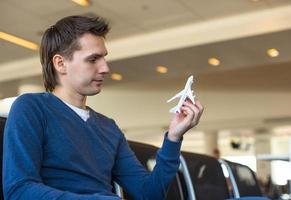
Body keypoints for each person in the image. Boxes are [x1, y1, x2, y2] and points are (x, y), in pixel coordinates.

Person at [3, 15, 203, 200]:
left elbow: (149, 193)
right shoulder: (31, 108)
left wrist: (174, 138)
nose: (105, 68)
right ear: (60, 63)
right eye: (93, 59)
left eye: (104, 58)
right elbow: (19, 190)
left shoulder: (108, 127)